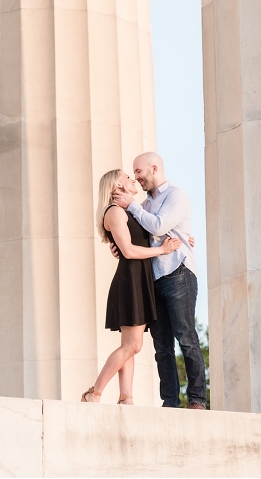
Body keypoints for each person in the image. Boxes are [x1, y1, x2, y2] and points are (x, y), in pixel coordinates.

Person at [112, 152, 207, 410]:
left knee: (186, 337)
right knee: (162, 346)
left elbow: (158, 226)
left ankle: (197, 399)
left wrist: (131, 205)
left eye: (139, 171)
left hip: (178, 273)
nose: (137, 177)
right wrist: (118, 245)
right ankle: (170, 403)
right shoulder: (144, 204)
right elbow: (136, 234)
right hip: (153, 280)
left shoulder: (175, 196)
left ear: (154, 168)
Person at [81, 169, 182, 405]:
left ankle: (126, 398)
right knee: (133, 345)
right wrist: (163, 250)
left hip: (139, 279)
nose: (133, 179)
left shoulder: (130, 212)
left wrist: (183, 240)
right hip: (130, 281)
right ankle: (93, 393)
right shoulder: (115, 212)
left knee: (129, 345)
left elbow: (150, 234)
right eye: (127, 177)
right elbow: (128, 250)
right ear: (117, 187)